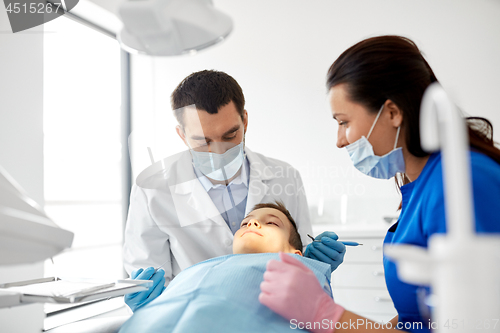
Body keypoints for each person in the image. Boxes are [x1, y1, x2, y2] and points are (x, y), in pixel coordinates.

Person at [258, 35, 500, 332]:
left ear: (392, 112)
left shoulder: (461, 181)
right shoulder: (419, 187)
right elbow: (419, 316)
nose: (339, 140)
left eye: (344, 121)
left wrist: (327, 314)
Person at [122, 70, 346, 310]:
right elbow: (148, 274)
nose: (219, 152)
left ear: (245, 121)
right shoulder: (153, 189)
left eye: (230, 135)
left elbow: (297, 253)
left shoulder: (286, 176)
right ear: (182, 135)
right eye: (203, 141)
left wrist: (317, 261)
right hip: (195, 319)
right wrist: (147, 301)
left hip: (273, 315)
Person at [119, 202, 333, 333]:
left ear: (295, 254)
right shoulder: (196, 271)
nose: (252, 224)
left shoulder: (300, 275)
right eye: (245, 223)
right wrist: (148, 309)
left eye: (272, 223)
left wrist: (311, 269)